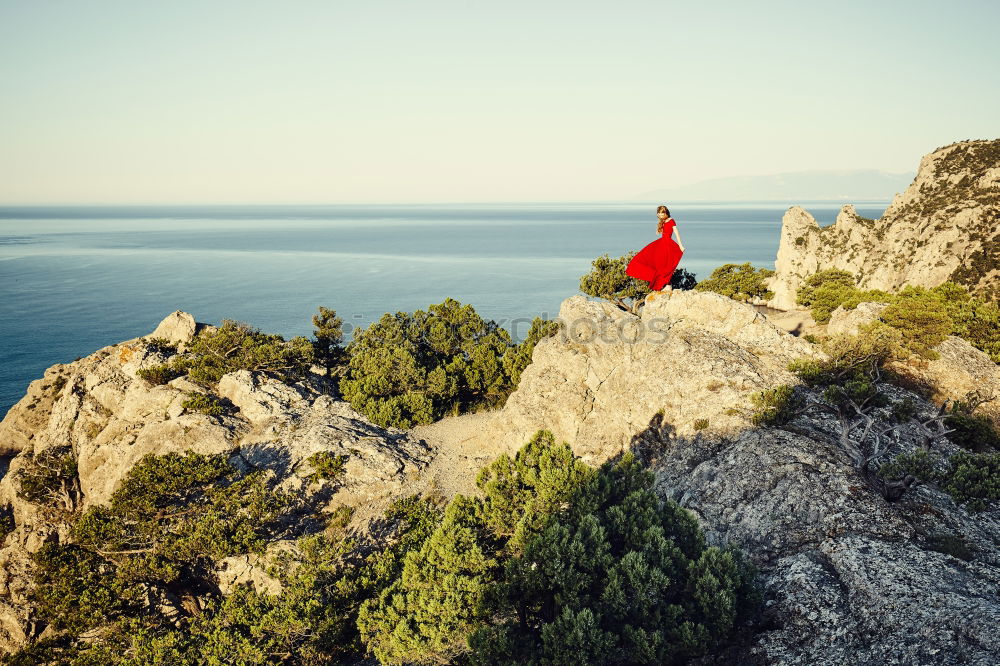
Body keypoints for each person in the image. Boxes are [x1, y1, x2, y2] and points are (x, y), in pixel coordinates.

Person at [625, 205, 685, 301]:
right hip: (661, 244)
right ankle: (665, 284)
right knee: (656, 263)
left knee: (666, 265)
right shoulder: (662, 222)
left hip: (668, 245)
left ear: (666, 213)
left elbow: (676, 232)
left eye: (663, 213)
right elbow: (662, 232)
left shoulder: (671, 220)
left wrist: (680, 245)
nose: (661, 215)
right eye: (660, 213)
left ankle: (668, 284)